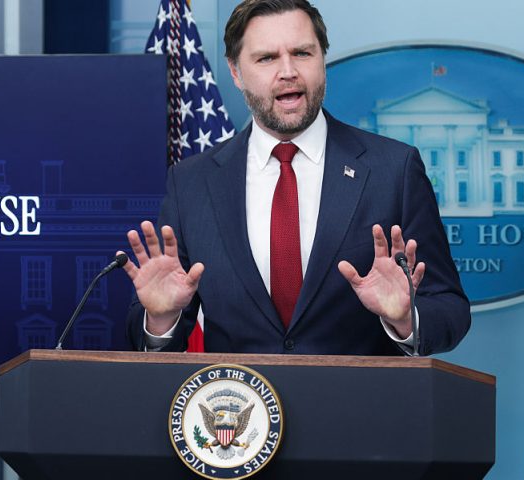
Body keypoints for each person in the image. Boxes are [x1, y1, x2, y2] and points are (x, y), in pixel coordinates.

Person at [120, 0, 470, 355]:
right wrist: (162, 318)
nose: (288, 71)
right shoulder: (191, 182)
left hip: (360, 406)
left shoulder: (394, 169)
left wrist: (405, 318)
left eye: (302, 53)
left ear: (322, 60)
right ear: (236, 72)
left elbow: (450, 309)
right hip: (236, 407)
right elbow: (149, 336)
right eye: (267, 58)